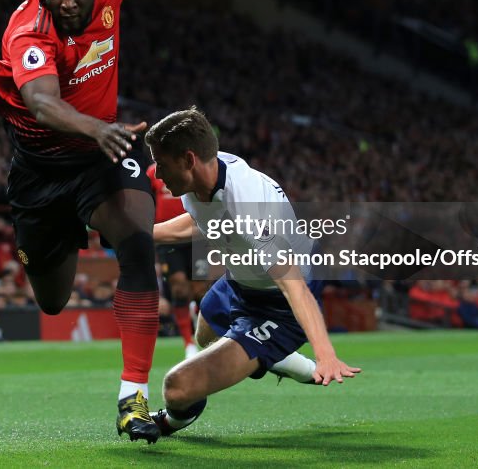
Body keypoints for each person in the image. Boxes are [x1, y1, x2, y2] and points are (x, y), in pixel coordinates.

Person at [0, 0, 166, 443]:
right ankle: (68, 235)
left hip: (100, 158)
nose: (65, 1)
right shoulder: (27, 30)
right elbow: (40, 103)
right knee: (53, 301)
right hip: (40, 171)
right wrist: (101, 127)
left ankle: (132, 398)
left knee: (140, 247)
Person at [143, 108, 360, 436]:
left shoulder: (250, 210)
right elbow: (201, 219)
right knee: (206, 335)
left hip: (279, 304)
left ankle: (177, 419)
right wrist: (144, 232)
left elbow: (294, 287)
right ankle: (278, 358)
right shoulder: (205, 171)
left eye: (162, 162)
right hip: (239, 281)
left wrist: (326, 353)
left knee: (176, 388)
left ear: (188, 159)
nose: (157, 173)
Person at [148, 163, 207, 360]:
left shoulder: (193, 167)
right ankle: (189, 345)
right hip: (167, 236)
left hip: (196, 233)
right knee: (179, 288)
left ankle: (204, 337)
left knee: (200, 290)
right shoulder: (152, 172)